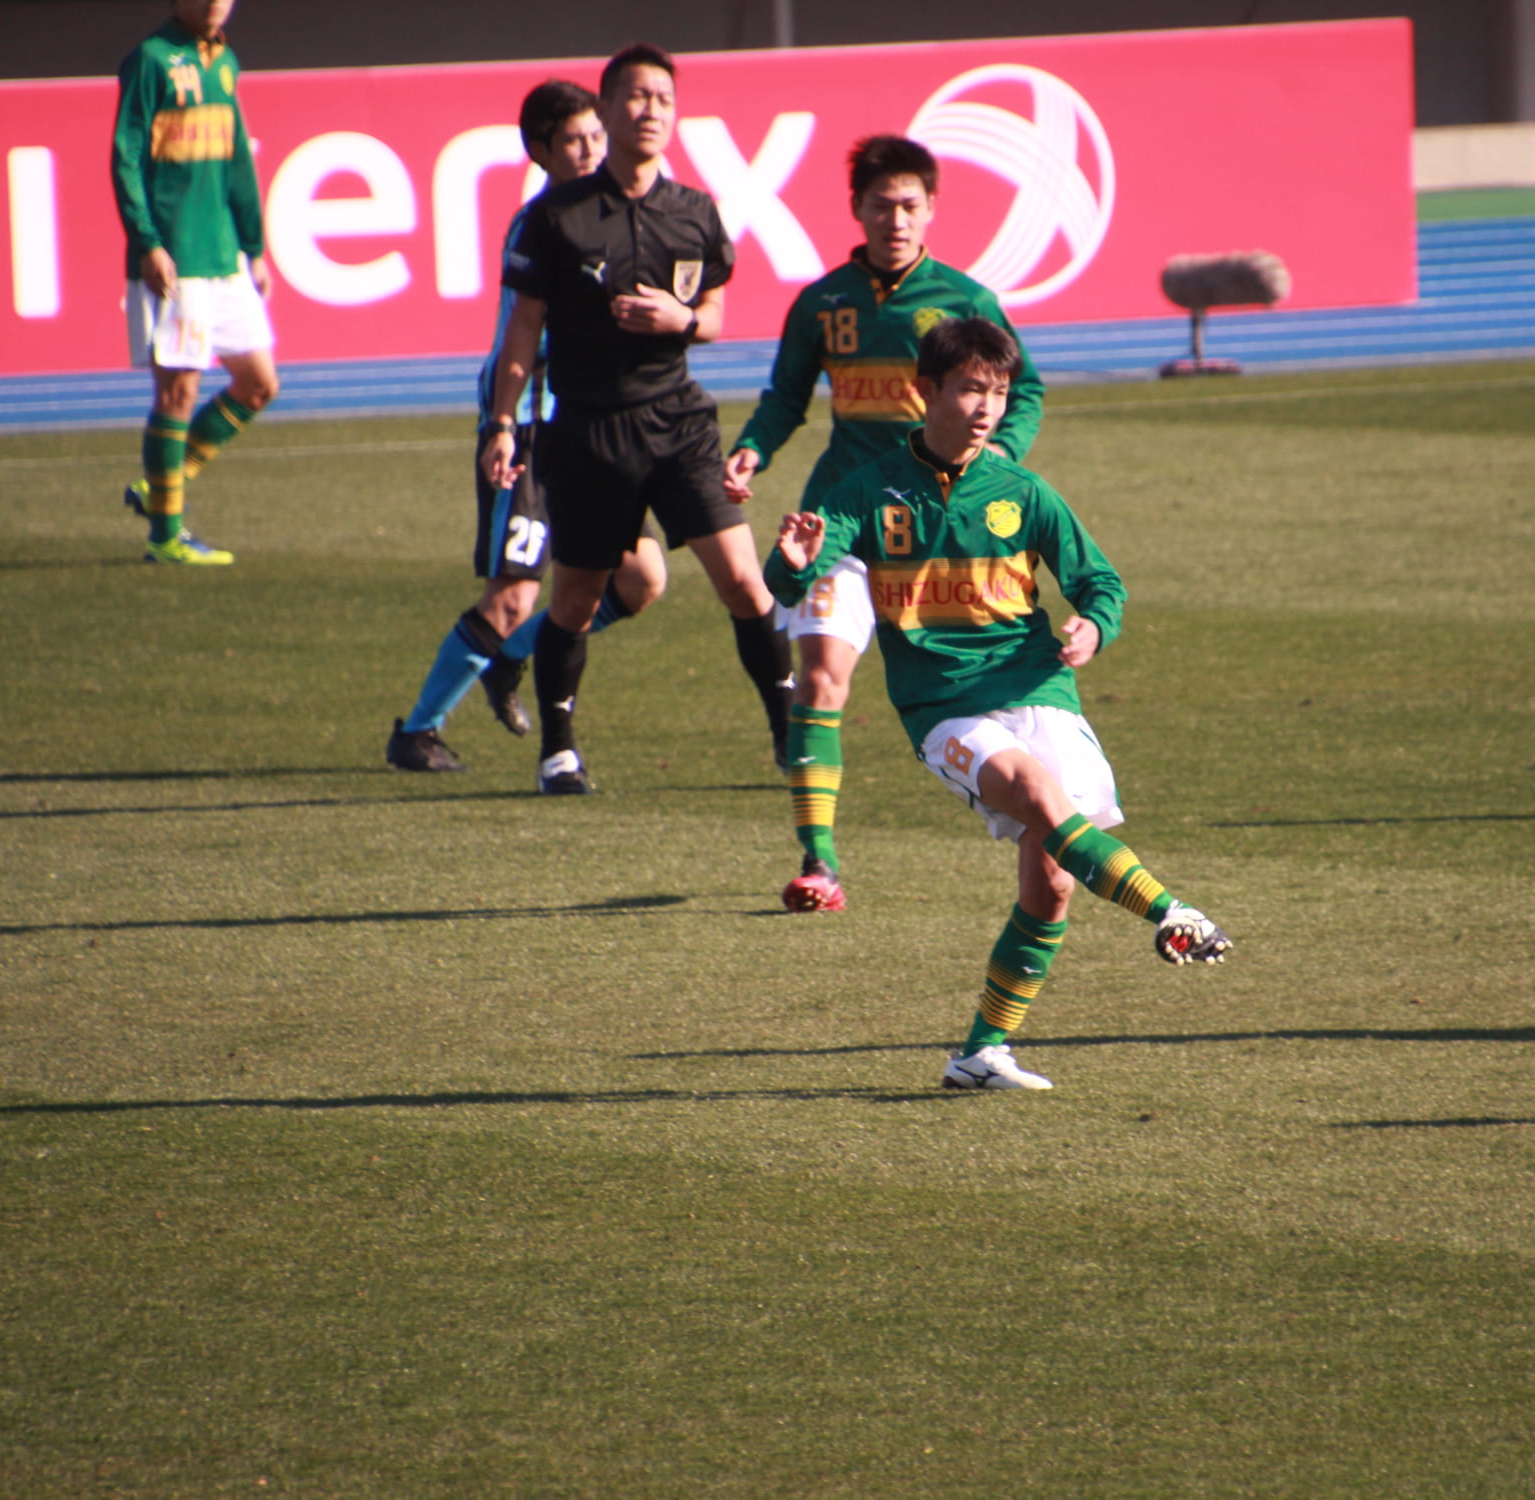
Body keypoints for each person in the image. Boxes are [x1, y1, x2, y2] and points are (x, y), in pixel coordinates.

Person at [765, 318, 1232, 1091]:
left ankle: (980, 1053)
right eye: (972, 388)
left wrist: (1092, 626)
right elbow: (804, 567)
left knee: (1050, 886)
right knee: (1037, 794)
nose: (987, 406)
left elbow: (1099, 582)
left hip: (1037, 689)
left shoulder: (1024, 492)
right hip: (943, 708)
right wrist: (789, 565)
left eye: (999, 391)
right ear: (928, 391)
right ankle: (1170, 912)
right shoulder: (869, 490)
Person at [726, 135, 1045, 914]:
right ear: (857, 211)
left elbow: (1027, 388)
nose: (895, 219)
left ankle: (1027, 791)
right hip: (842, 513)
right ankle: (820, 861)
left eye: (909, 205)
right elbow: (784, 396)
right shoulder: (823, 302)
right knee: (820, 678)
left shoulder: (966, 300)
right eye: (881, 205)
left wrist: (1000, 450)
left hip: (933, 528)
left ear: (931, 209)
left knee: (970, 681)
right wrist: (751, 449)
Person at [483, 41, 790, 795]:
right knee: (577, 599)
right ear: (608, 107)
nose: (650, 110)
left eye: (663, 99)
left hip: (679, 422)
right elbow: (524, 326)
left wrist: (678, 316)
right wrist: (501, 419)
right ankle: (558, 750)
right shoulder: (554, 218)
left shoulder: (694, 212)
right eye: (635, 97)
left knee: (747, 587)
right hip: (588, 429)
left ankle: (793, 740)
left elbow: (715, 312)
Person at [385, 79, 668, 773]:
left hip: (598, 426)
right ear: (540, 151)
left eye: (596, 136)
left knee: (641, 579)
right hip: (537, 427)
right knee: (513, 594)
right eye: (574, 140)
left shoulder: (620, 214)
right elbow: (520, 337)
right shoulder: (539, 227)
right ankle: (417, 732)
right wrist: (502, 426)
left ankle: (510, 658)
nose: (590, 150)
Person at [111, 0, 277, 565]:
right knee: (177, 394)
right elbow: (125, 155)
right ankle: (165, 537)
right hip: (175, 256)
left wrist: (253, 246)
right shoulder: (151, 60)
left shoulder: (225, 60)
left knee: (258, 384)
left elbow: (235, 160)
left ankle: (160, 490)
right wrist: (148, 241)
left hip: (223, 252)